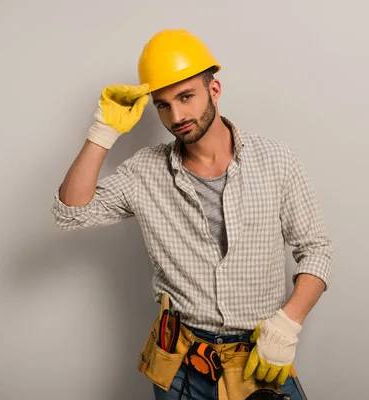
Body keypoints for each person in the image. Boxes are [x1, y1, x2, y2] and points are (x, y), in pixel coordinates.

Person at [52, 29, 334, 400]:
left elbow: (316, 250)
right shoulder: (144, 172)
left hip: (257, 357)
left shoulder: (277, 161)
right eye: (163, 105)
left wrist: (287, 324)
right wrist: (103, 132)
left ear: (213, 90)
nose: (177, 115)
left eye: (186, 97)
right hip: (181, 364)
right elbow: (71, 214)